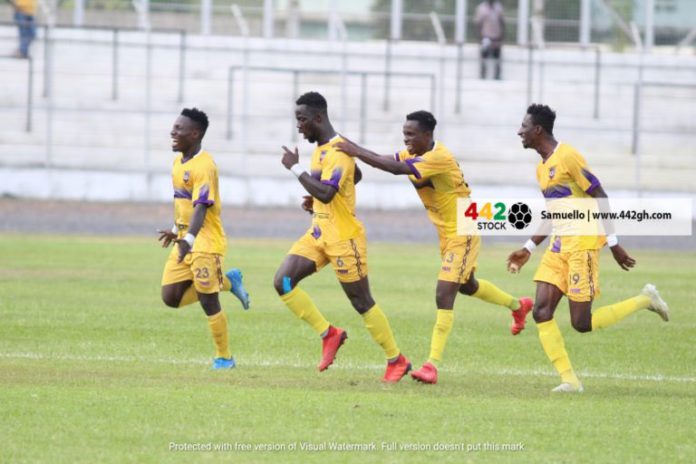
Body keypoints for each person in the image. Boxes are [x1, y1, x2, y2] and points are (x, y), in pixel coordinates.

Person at [336, 110, 533, 385]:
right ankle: (518, 305)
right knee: (466, 285)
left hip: (464, 228)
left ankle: (432, 365)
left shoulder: (439, 157)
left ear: (427, 135)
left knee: (444, 293)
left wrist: (354, 149)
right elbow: (385, 159)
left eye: (411, 135)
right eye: (404, 134)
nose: (405, 140)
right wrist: (338, 139)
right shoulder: (414, 153)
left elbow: (393, 169)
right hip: (446, 232)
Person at [507, 104, 670, 393]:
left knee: (581, 323)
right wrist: (529, 247)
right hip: (559, 246)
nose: (519, 131)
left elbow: (600, 195)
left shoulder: (568, 156)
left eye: (523, 126)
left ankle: (646, 299)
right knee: (541, 312)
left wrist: (614, 244)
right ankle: (570, 380)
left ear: (537, 130)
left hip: (582, 244)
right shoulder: (541, 168)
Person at [274, 91, 411, 383]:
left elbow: (328, 189)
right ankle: (330, 334)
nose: (298, 126)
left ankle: (396, 359)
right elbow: (350, 178)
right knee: (283, 282)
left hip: (344, 239)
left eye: (302, 120)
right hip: (318, 232)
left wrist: (295, 168)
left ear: (318, 118)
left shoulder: (338, 151)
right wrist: (317, 200)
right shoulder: (322, 148)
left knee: (362, 302)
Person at [157, 107, 250, 370]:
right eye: (173, 127)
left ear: (195, 134)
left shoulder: (205, 165)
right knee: (171, 297)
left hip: (205, 242)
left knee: (208, 299)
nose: (172, 132)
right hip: (185, 238)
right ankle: (228, 282)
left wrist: (189, 238)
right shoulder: (178, 163)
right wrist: (177, 232)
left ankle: (225, 357)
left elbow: (201, 206)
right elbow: (183, 204)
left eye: (178, 129)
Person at [474, 0, 505, 80]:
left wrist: (502, 36)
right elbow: (478, 24)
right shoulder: (481, 8)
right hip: (486, 37)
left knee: (497, 56)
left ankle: (497, 75)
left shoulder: (498, 7)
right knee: (484, 55)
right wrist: (479, 37)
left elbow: (502, 22)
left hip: (496, 37)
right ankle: (483, 74)